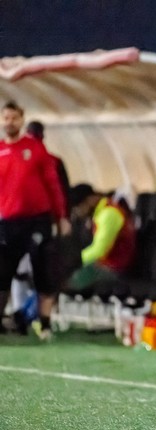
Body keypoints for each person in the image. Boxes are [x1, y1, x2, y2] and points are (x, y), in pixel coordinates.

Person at [0, 101, 69, 340]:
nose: (10, 122)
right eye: (6, 118)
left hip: (37, 220)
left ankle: (45, 325)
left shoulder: (36, 149)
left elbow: (53, 184)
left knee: (43, 271)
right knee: (3, 273)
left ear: (21, 120)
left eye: (14, 118)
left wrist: (61, 216)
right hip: (8, 222)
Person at [65, 183, 137, 293]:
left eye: (79, 208)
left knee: (68, 279)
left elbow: (99, 250)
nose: (78, 213)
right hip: (105, 265)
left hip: (115, 268)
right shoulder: (99, 214)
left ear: (90, 200)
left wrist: (75, 260)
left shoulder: (108, 214)